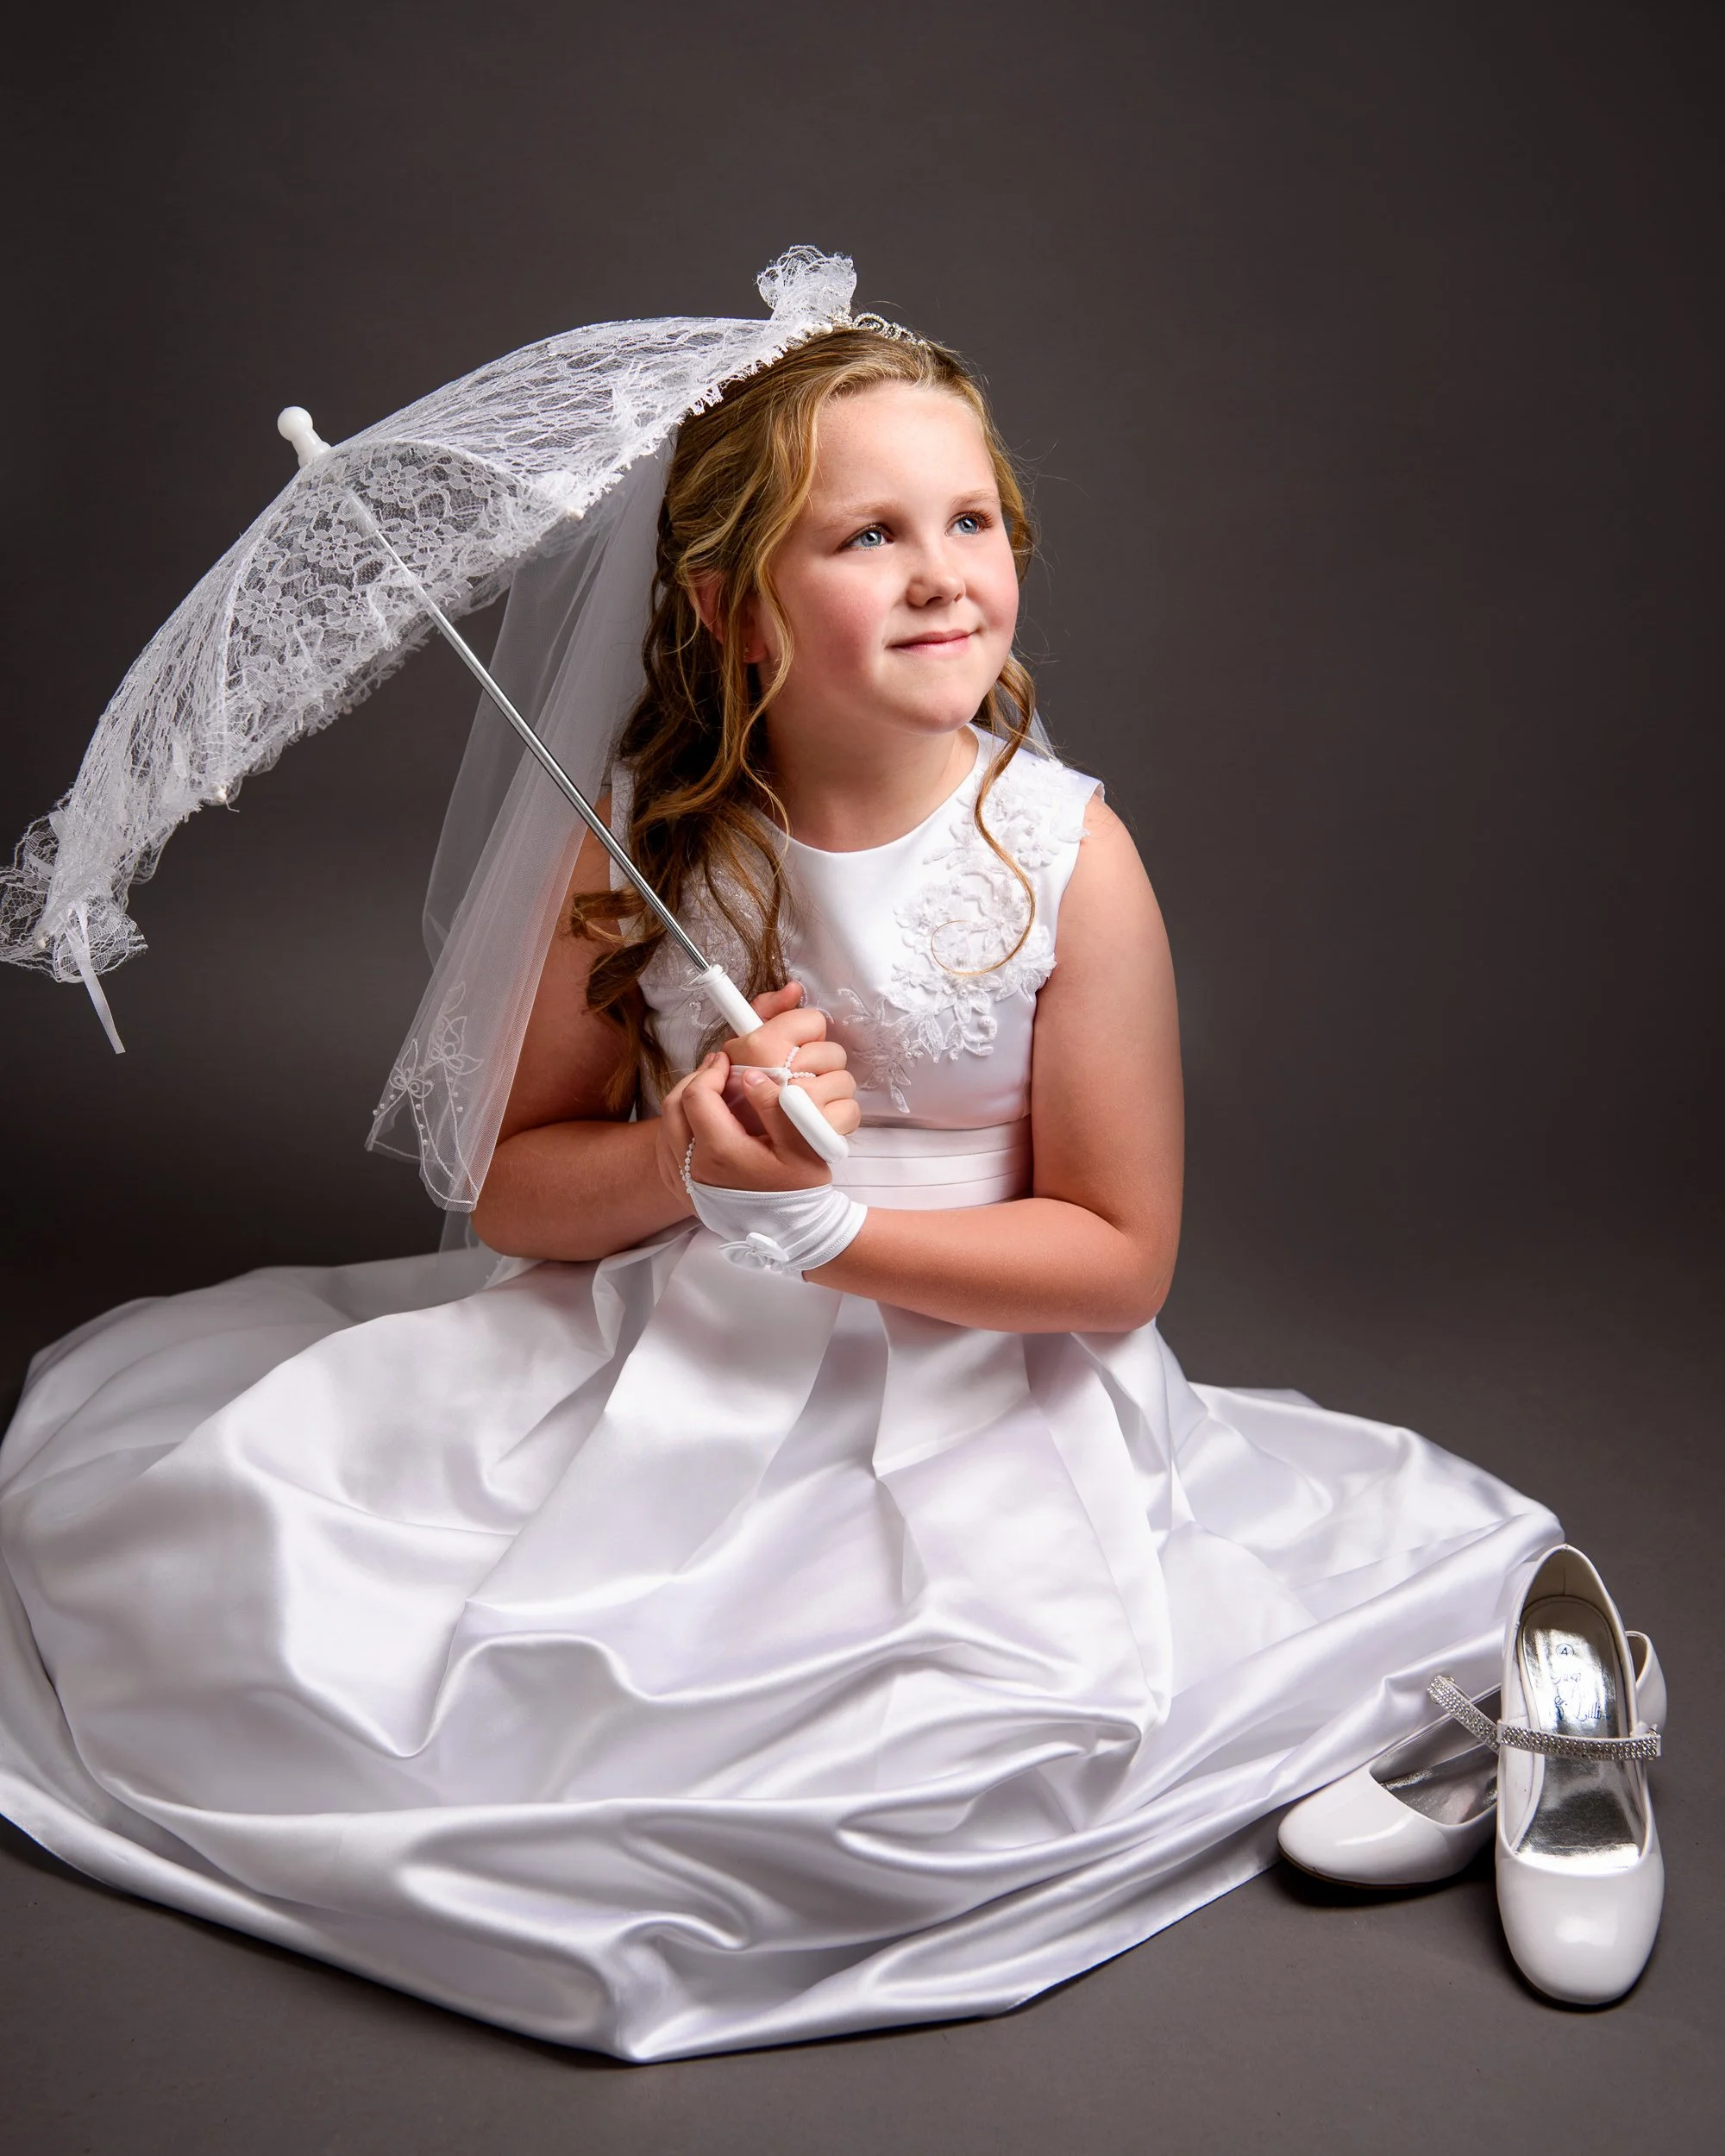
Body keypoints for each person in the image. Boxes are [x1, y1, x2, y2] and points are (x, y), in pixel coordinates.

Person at [0, 317, 1560, 2061]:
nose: (941, 575)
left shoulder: (1065, 859)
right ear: (734, 606)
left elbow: (1118, 1260)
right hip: (666, 1362)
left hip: (978, 1377)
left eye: (971, 521)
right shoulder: (644, 839)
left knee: (931, 1743)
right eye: (866, 535)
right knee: (352, 1596)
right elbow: (513, 1186)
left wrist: (829, 1232)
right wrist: (683, 1158)